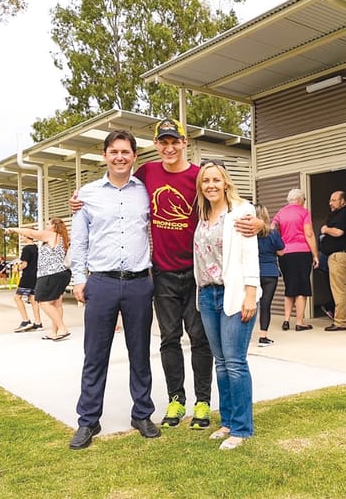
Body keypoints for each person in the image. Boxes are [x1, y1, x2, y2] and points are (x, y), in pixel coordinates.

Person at [70, 117, 261, 430]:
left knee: (200, 340)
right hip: (161, 274)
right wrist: (79, 201)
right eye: (163, 142)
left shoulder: (201, 176)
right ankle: (175, 398)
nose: (169, 148)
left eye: (175, 142)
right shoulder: (146, 174)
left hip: (198, 275)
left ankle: (201, 402)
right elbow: (111, 194)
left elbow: (234, 203)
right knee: (168, 339)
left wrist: (261, 223)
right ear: (156, 146)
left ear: (185, 143)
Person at [67, 129, 160, 450]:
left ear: (134, 156)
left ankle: (142, 414)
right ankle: (88, 420)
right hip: (101, 282)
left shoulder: (146, 192)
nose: (120, 157)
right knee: (95, 355)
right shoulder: (87, 194)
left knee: (140, 353)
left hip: (139, 284)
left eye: (125, 152)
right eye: (114, 152)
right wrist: (79, 278)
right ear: (105, 155)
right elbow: (79, 240)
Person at [193, 160, 261, 450]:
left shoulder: (242, 211)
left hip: (234, 293)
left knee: (235, 362)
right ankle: (228, 422)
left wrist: (250, 294)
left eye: (216, 180)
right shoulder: (202, 215)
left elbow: (250, 254)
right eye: (206, 180)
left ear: (225, 183)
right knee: (220, 363)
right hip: (208, 295)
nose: (211, 185)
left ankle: (242, 429)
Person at [5, 219, 71, 341]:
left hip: (51, 274)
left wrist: (13, 229)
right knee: (56, 304)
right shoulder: (62, 238)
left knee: (43, 302)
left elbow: (31, 233)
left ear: (54, 226)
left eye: (48, 224)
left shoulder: (51, 235)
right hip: (62, 273)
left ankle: (62, 328)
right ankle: (54, 332)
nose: (46, 226)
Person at [271, 188, 319, 331]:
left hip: (285, 254)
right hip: (302, 252)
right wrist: (315, 255)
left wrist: (278, 246)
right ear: (300, 200)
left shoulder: (281, 212)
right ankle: (299, 322)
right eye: (304, 200)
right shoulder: (304, 212)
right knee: (302, 288)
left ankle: (286, 320)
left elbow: (272, 229)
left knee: (290, 286)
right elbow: (309, 234)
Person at [319, 190, 346, 331]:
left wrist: (325, 230)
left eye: (334, 200)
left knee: (339, 290)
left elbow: (339, 232)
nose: (330, 203)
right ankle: (341, 319)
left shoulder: (344, 214)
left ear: (342, 201)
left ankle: (340, 322)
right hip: (339, 255)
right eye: (330, 200)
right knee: (343, 289)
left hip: (339, 257)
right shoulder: (340, 214)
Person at [255, 204, 284, 347]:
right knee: (265, 305)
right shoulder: (273, 233)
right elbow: (281, 252)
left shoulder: (248, 235)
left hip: (253, 272)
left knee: (248, 304)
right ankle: (263, 337)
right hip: (270, 272)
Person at [12, 236, 42, 333]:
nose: (22, 237)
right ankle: (38, 323)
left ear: (27, 237)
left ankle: (26, 321)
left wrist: (17, 268)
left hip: (27, 277)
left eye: (23, 235)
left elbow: (25, 264)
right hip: (35, 276)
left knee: (17, 297)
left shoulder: (26, 249)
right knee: (33, 299)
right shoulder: (36, 248)